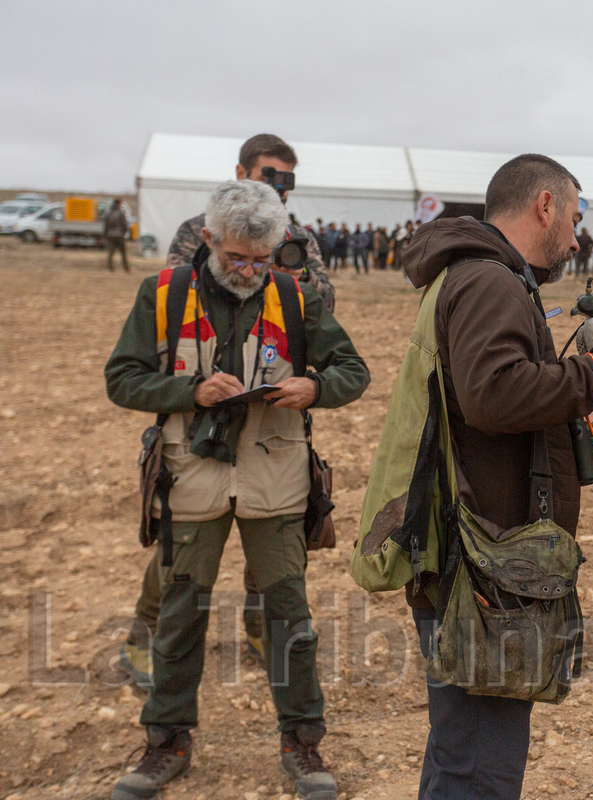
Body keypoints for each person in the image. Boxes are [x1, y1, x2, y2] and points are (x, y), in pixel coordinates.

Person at [396, 154, 593, 800]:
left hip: (483, 559)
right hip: (485, 569)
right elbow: (495, 395)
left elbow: (500, 402)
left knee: (464, 754)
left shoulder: (484, 276)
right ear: (544, 206)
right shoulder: (489, 282)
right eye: (573, 218)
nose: (575, 238)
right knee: (481, 767)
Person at [104, 180, 371, 800]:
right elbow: (122, 379)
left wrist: (314, 387)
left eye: (261, 258)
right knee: (178, 615)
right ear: (208, 240)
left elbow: (352, 371)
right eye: (237, 258)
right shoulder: (162, 295)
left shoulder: (297, 296)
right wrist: (188, 392)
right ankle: (165, 742)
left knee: (289, 618)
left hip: (276, 478)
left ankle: (303, 745)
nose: (250, 270)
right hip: (189, 478)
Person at [116, 134, 337, 690]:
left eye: (287, 180)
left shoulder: (296, 239)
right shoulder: (199, 228)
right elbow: (176, 303)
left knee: (276, 540)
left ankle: (263, 627)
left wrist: (289, 282)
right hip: (199, 413)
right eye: (268, 174)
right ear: (241, 171)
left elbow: (323, 302)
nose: (278, 187)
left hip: (268, 417)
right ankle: (146, 635)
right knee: (183, 547)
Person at [163, 135, 333, 311]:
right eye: (265, 179)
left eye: (283, 182)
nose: (274, 191)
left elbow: (327, 306)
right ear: (241, 174)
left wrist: (302, 275)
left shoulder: (298, 238)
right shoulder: (196, 230)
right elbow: (173, 296)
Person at [104, 199, 130, 273]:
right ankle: (126, 268)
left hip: (110, 235)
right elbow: (124, 225)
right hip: (119, 235)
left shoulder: (109, 214)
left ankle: (111, 269)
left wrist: (105, 235)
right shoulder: (121, 214)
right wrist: (124, 233)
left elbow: (106, 226)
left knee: (111, 253)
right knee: (123, 253)